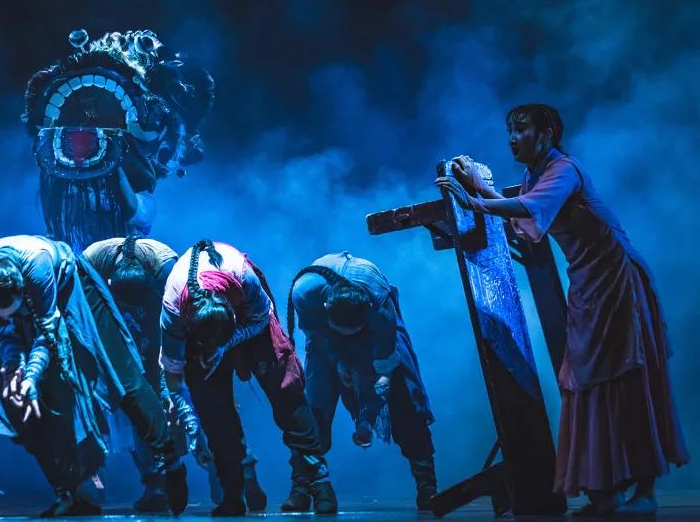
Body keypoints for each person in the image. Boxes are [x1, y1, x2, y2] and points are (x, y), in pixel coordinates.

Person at [436, 103, 689, 516]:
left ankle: (645, 492)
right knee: (586, 381)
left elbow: (528, 208)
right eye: (510, 130)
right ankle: (607, 490)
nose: (513, 138)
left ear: (547, 134)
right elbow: (528, 222)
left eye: (521, 129)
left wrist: (476, 199)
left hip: (616, 278)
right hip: (587, 283)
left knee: (626, 376)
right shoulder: (533, 177)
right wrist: (479, 192)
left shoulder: (565, 170)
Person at [0, 235, 188, 517]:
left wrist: (31, 375)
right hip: (28, 304)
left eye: (13, 313)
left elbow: (48, 333)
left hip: (68, 284)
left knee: (121, 373)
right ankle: (69, 489)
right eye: (1, 316)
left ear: (22, 290)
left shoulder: (37, 266)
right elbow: (2, 336)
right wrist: (14, 367)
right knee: (34, 403)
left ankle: (169, 460)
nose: (8, 320)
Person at [82, 236, 267, 512]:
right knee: (141, 403)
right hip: (125, 332)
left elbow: (177, 325)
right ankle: (158, 481)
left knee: (200, 396)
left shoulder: (167, 271)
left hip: (173, 326)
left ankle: (233, 470)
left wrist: (175, 388)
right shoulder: (91, 263)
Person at [160, 239, 337, 516]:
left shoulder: (243, 277)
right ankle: (233, 493)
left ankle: (319, 483)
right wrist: (191, 424)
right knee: (212, 409)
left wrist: (229, 343)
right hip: (204, 338)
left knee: (286, 391)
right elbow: (172, 372)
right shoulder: (173, 308)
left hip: (249, 319)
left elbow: (261, 318)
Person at [287, 252, 436, 510]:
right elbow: (315, 338)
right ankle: (304, 487)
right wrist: (338, 362)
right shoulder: (305, 292)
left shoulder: (379, 306)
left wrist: (377, 393)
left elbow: (385, 361)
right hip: (323, 339)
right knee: (315, 407)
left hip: (373, 327)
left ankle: (428, 486)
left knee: (406, 397)